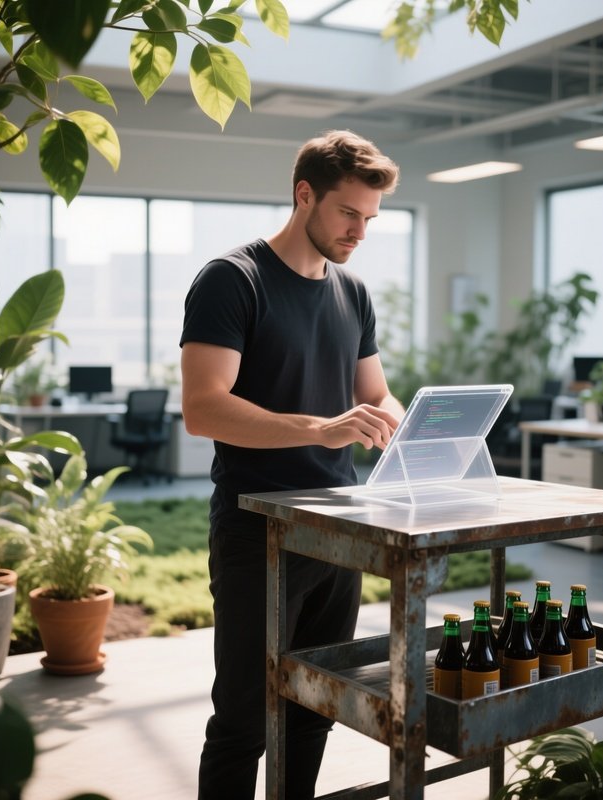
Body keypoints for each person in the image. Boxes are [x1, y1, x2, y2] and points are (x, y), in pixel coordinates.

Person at [180, 129, 404, 800]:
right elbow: (203, 409)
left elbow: (375, 392)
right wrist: (323, 427)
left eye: (370, 218)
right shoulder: (233, 280)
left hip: (339, 527)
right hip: (259, 533)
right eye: (347, 213)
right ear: (305, 194)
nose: (360, 230)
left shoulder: (354, 292)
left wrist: (393, 418)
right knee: (245, 721)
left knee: (315, 711)